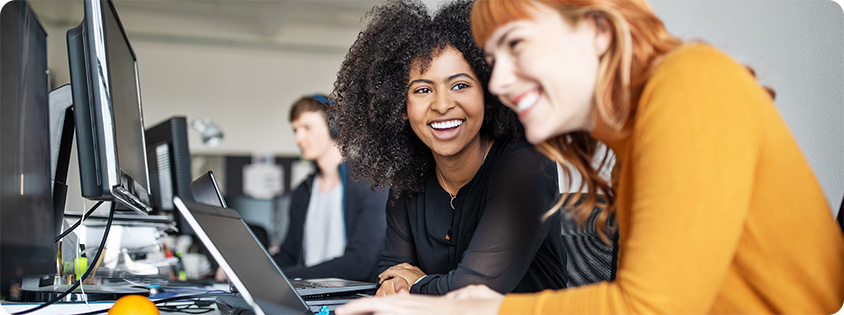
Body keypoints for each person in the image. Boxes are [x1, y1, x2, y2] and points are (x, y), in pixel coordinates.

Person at [336, 0, 844, 313]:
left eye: (517, 45)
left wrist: (469, 308)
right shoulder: (638, 135)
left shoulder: (690, 82)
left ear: (598, 31)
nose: (502, 82)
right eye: (496, 60)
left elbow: (648, 308)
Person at [331, 0, 567, 296]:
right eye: (423, 90)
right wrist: (407, 286)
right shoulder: (409, 179)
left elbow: (474, 291)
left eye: (460, 85)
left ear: (489, 93)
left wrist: (416, 283)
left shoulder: (527, 166)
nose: (442, 105)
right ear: (401, 107)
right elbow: (391, 278)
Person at [271, 94, 389, 282]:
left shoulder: (370, 185)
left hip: (350, 299)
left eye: (307, 128)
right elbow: (288, 255)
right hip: (307, 297)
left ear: (334, 127)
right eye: (295, 130)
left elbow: (360, 263)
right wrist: (249, 272)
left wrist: (284, 277)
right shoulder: (303, 191)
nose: (298, 138)